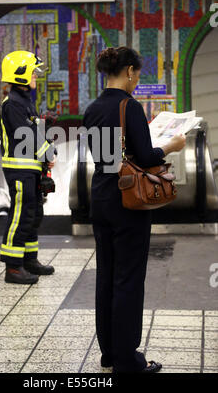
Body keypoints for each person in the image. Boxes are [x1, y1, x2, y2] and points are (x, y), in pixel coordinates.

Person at [83, 46, 186, 373]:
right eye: (137, 73)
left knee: (107, 276)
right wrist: (170, 145)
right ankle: (128, 360)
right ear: (128, 71)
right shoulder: (130, 106)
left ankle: (109, 354)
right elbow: (145, 156)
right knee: (128, 279)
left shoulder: (94, 108)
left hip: (101, 198)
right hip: (128, 203)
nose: (138, 79)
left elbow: (107, 158)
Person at [0, 50, 56, 285]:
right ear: (20, 73)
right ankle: (13, 267)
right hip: (19, 169)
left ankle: (29, 260)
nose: (35, 76)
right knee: (20, 215)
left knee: (33, 215)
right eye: (32, 71)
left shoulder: (24, 101)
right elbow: (27, 136)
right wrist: (48, 153)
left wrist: (43, 123)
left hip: (30, 168)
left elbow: (32, 130)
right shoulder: (13, 103)